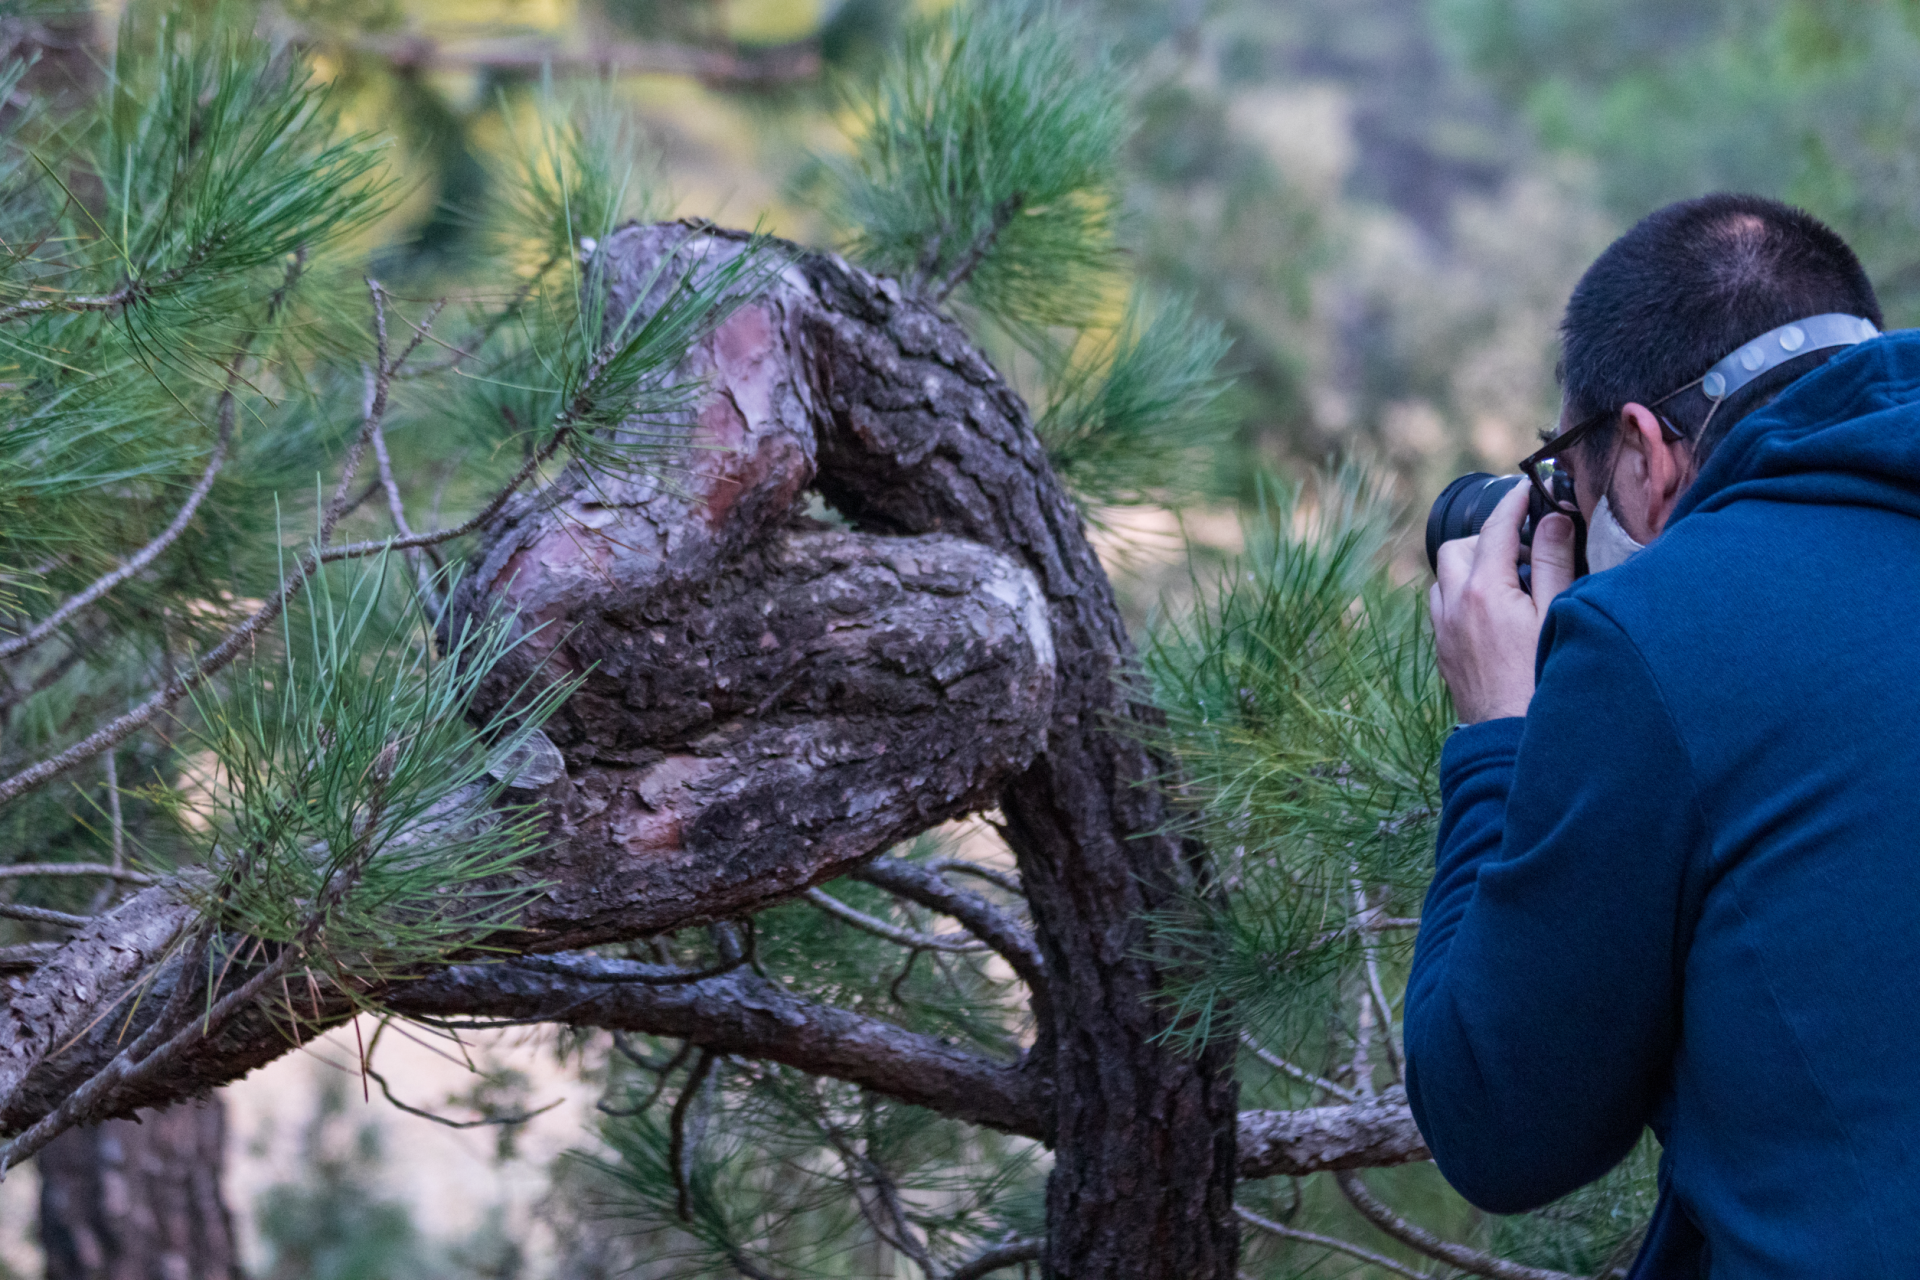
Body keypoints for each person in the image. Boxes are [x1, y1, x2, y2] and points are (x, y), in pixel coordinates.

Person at [1409, 192, 1920, 1278]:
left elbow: (1500, 1124)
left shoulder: (1662, 629)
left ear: (1643, 449)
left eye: (1568, 469)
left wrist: (1502, 730)